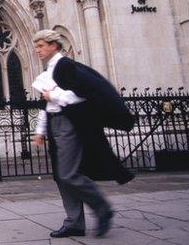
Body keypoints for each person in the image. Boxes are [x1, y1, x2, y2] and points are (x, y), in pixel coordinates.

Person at [31, 29, 134, 238]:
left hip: (68, 124)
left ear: (53, 45)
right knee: (61, 176)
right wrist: (40, 130)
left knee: (68, 173)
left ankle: (102, 207)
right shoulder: (50, 69)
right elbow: (46, 103)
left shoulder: (65, 65)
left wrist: (54, 95)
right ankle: (74, 222)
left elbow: (81, 94)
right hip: (55, 123)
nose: (37, 50)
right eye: (36, 46)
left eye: (41, 45)